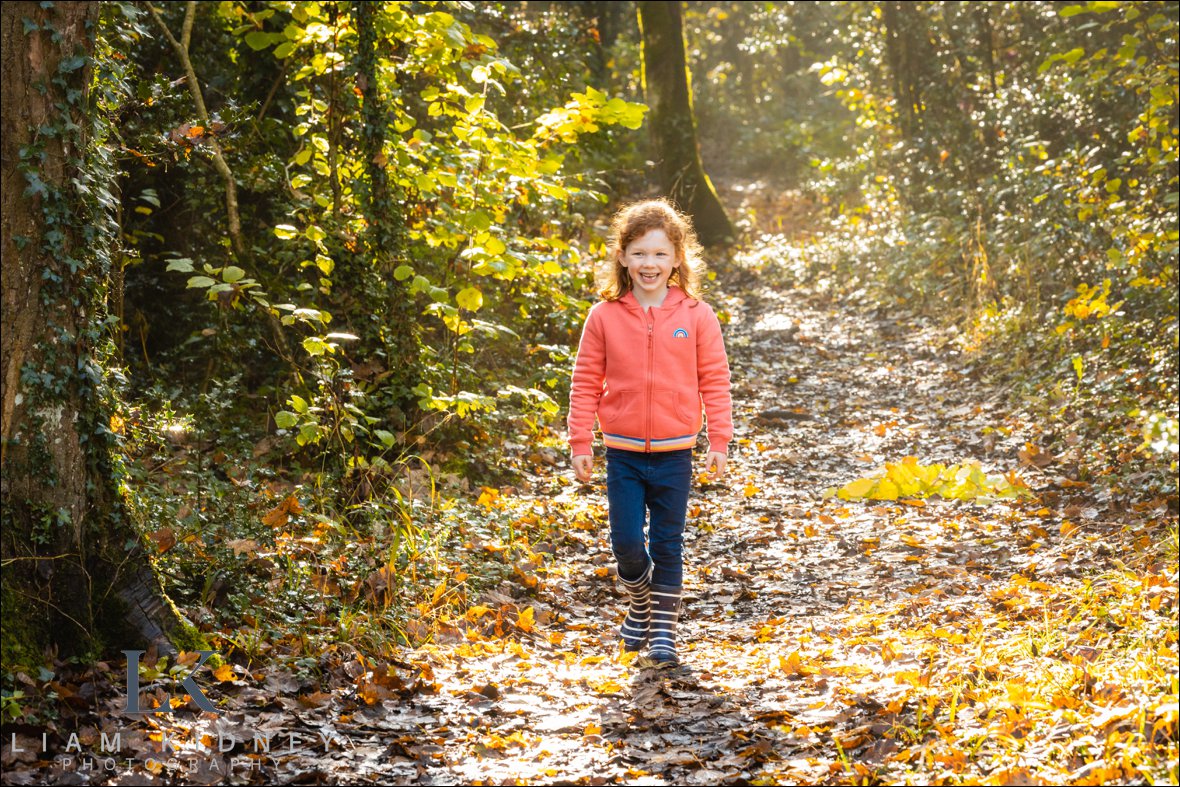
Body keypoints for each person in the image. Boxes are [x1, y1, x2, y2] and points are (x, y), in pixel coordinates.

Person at [567, 199, 733, 667]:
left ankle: (663, 630)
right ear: (622, 257)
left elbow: (715, 380)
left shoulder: (697, 315)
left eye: (660, 254)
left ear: (678, 259)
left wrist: (718, 440)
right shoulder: (604, 316)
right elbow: (585, 380)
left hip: (675, 452)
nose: (649, 264)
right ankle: (639, 598)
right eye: (639, 253)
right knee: (626, 543)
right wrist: (581, 440)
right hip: (622, 452)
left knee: (667, 541)